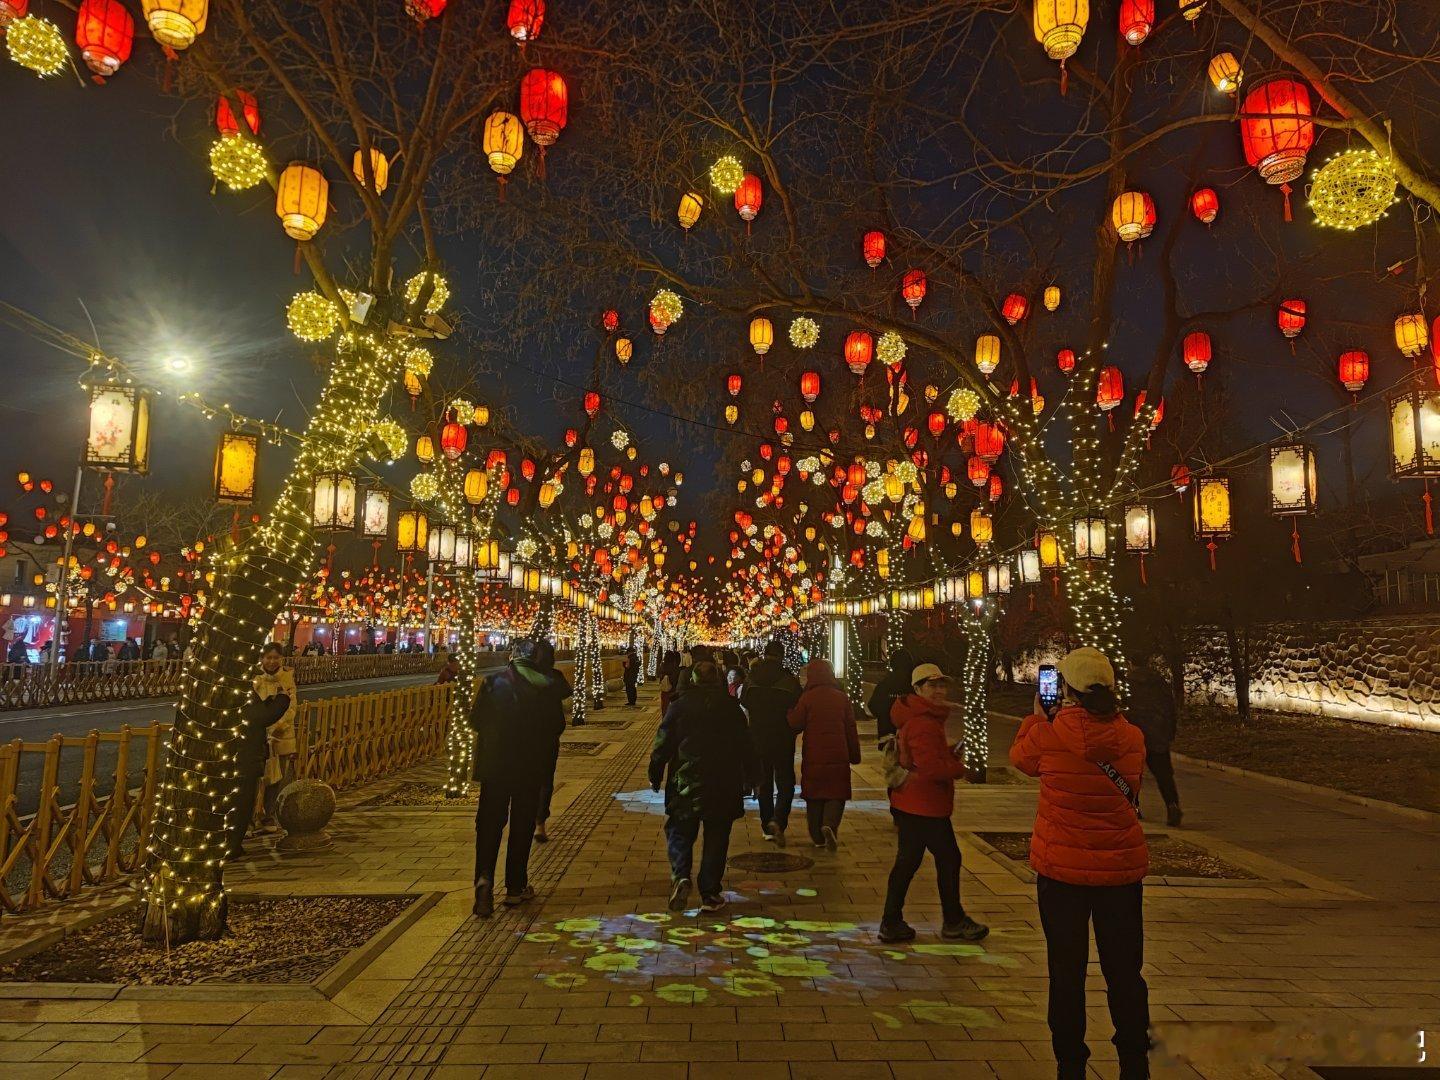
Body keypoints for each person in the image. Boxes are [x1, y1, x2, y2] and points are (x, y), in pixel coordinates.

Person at [1009, 647, 1150, 1080]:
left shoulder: (1050, 733)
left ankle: (1070, 1063)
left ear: (1065, 690)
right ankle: (1133, 1061)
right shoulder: (1132, 736)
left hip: (1062, 872)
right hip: (1120, 871)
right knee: (1125, 971)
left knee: (1066, 972)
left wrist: (1039, 717)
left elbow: (1020, 760)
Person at [880, 663, 989, 944]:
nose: (939, 690)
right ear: (917, 689)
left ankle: (892, 921)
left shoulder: (922, 717)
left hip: (913, 802)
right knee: (948, 858)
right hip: (923, 805)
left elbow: (925, 758)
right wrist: (958, 766)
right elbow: (931, 768)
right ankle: (952, 921)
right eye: (932, 685)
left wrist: (948, 753)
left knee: (910, 861)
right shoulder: (924, 722)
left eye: (942, 684)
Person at [468, 638, 566, 916]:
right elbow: (557, 726)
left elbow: (475, 721)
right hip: (529, 766)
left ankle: (484, 880)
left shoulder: (492, 683)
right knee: (521, 824)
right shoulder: (545, 687)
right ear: (535, 658)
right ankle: (515, 887)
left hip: (495, 766)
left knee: (489, 823)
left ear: (512, 656)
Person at [649, 660, 755, 913]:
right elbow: (746, 746)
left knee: (679, 831)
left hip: (686, 781)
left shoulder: (679, 706)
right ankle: (709, 892)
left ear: (693, 680)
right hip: (723, 781)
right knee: (717, 836)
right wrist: (751, 778)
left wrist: (655, 772)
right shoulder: (731, 708)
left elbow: (663, 743)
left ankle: (681, 875)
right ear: (717, 680)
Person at [788, 658, 860, 851]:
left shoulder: (807, 698)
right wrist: (854, 754)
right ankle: (830, 825)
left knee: (814, 795)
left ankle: (818, 837)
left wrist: (788, 713)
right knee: (836, 793)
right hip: (839, 752)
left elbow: (796, 723)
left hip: (814, 754)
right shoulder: (841, 697)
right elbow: (850, 728)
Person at [740, 642, 802, 846]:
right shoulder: (788, 680)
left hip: (758, 736)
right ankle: (779, 820)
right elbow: (798, 704)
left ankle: (767, 825)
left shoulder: (752, 678)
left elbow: (745, 701)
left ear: (765, 655)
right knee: (785, 782)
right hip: (783, 737)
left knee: (764, 782)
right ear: (782, 656)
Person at [226, 688, 292, 858]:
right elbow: (260, 717)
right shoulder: (241, 689)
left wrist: (268, 702)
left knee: (235, 801)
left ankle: (230, 844)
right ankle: (232, 846)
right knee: (243, 802)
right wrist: (282, 699)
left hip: (234, 755)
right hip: (246, 755)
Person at [1127, 653, 1182, 827]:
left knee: (1133, 774)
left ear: (1129, 663)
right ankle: (1172, 804)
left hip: (1135, 734)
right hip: (1158, 734)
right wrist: (1169, 731)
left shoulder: (1127, 683)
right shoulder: (1159, 681)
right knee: (1164, 774)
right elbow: (1170, 707)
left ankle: (1134, 806)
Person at [532, 639, 573, 844]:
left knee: (528, 779)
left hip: (527, 735)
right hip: (549, 735)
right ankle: (540, 823)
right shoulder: (555, 676)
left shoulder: (526, 677)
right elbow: (567, 691)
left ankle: (529, 820)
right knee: (546, 780)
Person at [254, 643, 300, 818]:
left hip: (281, 736)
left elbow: (291, 708)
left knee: (276, 777)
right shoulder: (256, 680)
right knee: (256, 779)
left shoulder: (287, 679)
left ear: (281, 659)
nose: (272, 661)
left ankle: (269, 815)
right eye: (268, 657)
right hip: (258, 736)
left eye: (276, 658)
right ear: (262, 659)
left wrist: (276, 727)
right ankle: (253, 816)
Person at [868, 648, 915, 743]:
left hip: (887, 733)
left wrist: (884, 716)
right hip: (911, 733)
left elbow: (872, 705)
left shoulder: (884, 684)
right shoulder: (915, 685)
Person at [657, 650, 682, 714]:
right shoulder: (675, 666)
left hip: (665, 688)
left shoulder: (662, 665)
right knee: (674, 707)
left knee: (664, 706)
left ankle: (665, 719)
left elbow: (659, 674)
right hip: (673, 689)